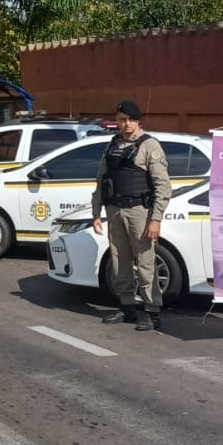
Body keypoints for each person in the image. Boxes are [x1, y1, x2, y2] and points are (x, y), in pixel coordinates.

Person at [91, 100, 172, 331]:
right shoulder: (113, 145)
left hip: (140, 212)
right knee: (119, 261)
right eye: (121, 120)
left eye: (131, 120)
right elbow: (101, 180)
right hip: (114, 211)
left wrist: (155, 219)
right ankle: (127, 307)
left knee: (146, 263)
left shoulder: (149, 146)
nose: (126, 124)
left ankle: (152, 311)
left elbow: (163, 187)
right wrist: (96, 211)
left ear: (138, 121)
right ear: (116, 121)